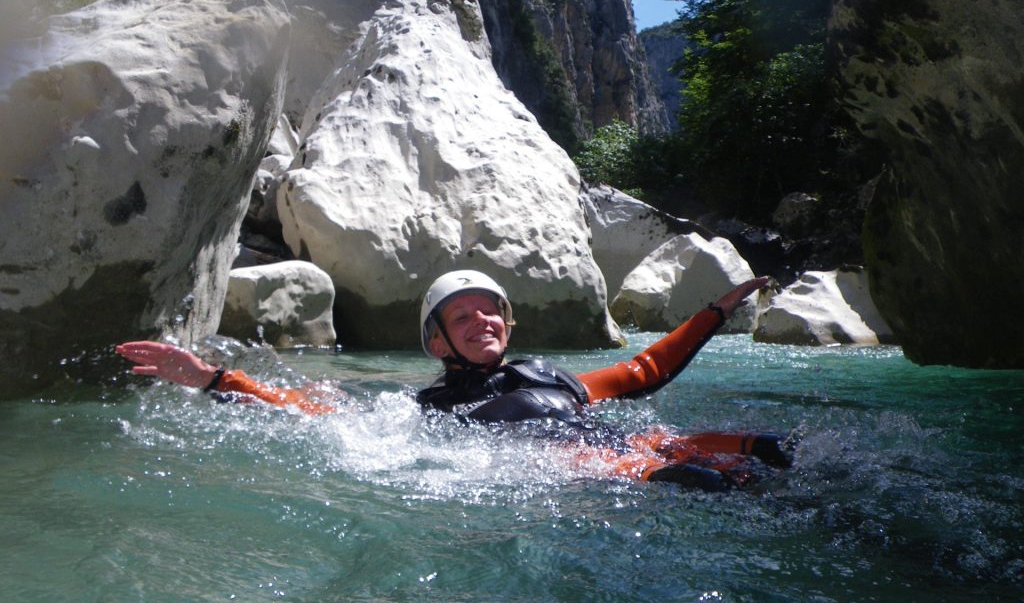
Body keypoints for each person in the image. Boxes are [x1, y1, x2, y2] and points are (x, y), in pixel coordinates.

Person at [117, 271, 789, 490]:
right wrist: (215, 379)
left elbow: (647, 370)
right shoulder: (427, 408)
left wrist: (716, 310)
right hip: (592, 472)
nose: (482, 320)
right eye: (462, 317)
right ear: (436, 341)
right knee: (693, 479)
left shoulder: (561, 377)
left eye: (490, 310)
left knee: (770, 450)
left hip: (641, 445)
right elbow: (314, 410)